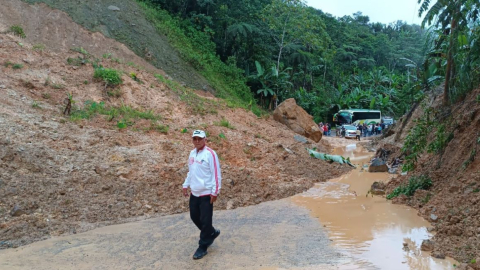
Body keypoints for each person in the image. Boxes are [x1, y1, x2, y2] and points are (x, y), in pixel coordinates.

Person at [182, 130, 222, 260]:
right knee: (194, 217)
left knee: (205, 220)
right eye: (195, 139)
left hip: (206, 193)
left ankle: (203, 246)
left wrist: (215, 191)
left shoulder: (210, 154)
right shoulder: (192, 153)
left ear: (205, 139)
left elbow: (216, 174)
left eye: (200, 139)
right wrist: (185, 184)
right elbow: (191, 172)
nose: (197, 141)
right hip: (195, 193)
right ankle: (210, 232)